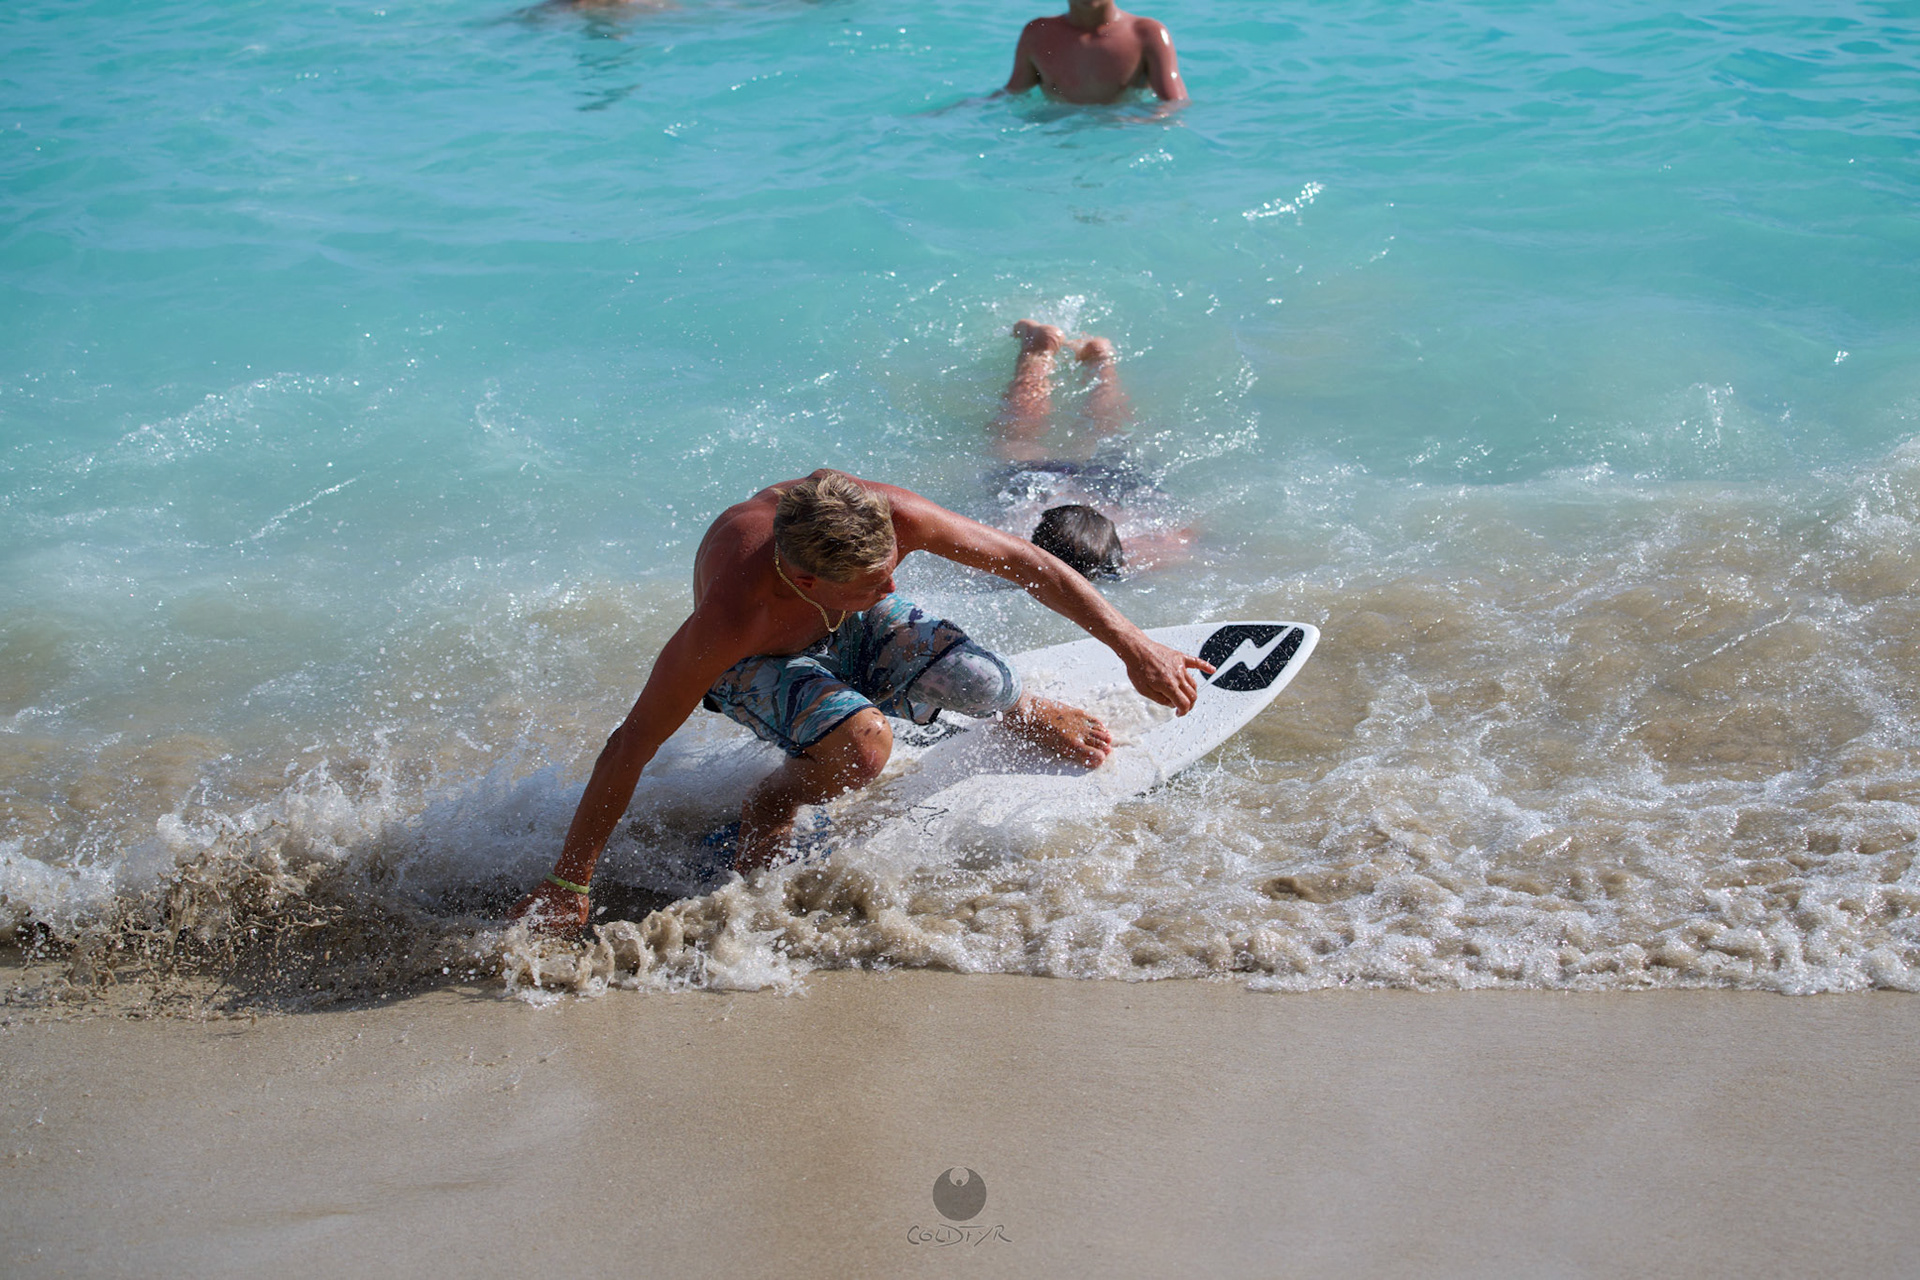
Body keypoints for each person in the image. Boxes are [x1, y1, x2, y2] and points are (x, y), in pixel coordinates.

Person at [509, 469, 1214, 930]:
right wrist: (569, 881)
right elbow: (632, 742)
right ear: (807, 582)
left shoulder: (882, 519)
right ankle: (773, 800)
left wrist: (1134, 646)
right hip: (764, 662)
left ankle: (1025, 707)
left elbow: (1025, 561)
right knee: (863, 747)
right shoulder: (733, 617)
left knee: (983, 683)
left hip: (841, 621)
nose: (893, 586)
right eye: (875, 579)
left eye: (893, 568)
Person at [990, 319, 1196, 576]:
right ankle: (1045, 352)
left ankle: (1099, 359)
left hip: (1105, 485)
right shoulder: (1011, 539)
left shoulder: (1154, 548)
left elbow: (1185, 536)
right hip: (1046, 482)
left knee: (1107, 432)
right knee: (1019, 440)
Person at [1002, 0, 1187, 106]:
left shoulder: (1146, 34)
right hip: (1059, 139)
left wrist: (1139, 124)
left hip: (1121, 138)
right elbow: (1012, 94)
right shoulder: (1038, 34)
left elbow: (1175, 106)